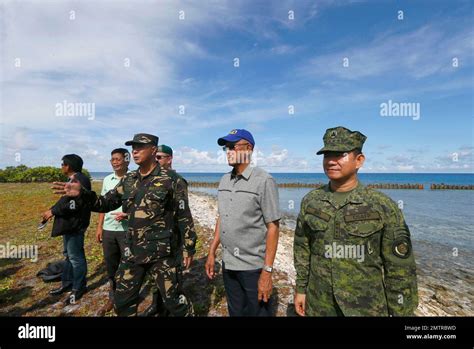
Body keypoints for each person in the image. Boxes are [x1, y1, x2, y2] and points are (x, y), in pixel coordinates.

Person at [52, 134, 197, 316]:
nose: (135, 151)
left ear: (153, 150)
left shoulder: (172, 180)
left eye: (140, 147)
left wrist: (189, 248)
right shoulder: (129, 180)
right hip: (133, 251)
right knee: (123, 301)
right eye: (133, 147)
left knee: (173, 301)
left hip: (162, 254)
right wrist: (83, 194)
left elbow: (184, 216)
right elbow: (104, 203)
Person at [293, 126, 418, 316]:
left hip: (366, 307)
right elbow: (302, 247)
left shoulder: (382, 205)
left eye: (340, 154)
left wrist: (401, 311)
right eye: (327, 155)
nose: (331, 161)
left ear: (359, 160)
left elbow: (399, 267)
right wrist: (301, 289)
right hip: (319, 303)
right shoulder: (311, 201)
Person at [205, 129, 281, 316]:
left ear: (248, 148)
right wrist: (212, 251)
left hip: (253, 267)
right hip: (229, 263)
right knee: (236, 311)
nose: (228, 151)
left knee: (259, 312)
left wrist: (267, 271)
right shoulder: (224, 180)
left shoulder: (264, 181)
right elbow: (222, 217)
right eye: (226, 148)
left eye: (232, 146)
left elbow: (273, 226)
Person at [141, 144, 187, 317]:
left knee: (172, 278)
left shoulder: (177, 181)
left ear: (170, 159)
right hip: (153, 239)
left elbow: (183, 214)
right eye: (156, 157)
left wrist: (186, 244)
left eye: (160, 157)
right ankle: (156, 305)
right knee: (154, 276)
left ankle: (171, 309)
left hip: (171, 239)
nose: (157, 160)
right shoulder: (151, 179)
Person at [43, 154, 91, 305]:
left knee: (76, 258)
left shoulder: (79, 179)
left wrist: (53, 212)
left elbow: (74, 204)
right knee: (69, 256)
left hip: (75, 225)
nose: (61, 166)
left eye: (62, 164)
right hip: (70, 225)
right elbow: (65, 200)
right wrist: (52, 210)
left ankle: (79, 287)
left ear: (68, 166)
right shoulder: (74, 178)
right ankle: (68, 282)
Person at [96, 148, 130, 313]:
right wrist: (99, 227)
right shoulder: (107, 180)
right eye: (112, 160)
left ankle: (128, 297)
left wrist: (128, 214)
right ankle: (112, 298)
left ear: (126, 160)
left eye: (118, 159)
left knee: (129, 266)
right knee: (111, 267)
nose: (115, 162)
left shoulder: (133, 178)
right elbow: (102, 204)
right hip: (109, 230)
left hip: (127, 230)